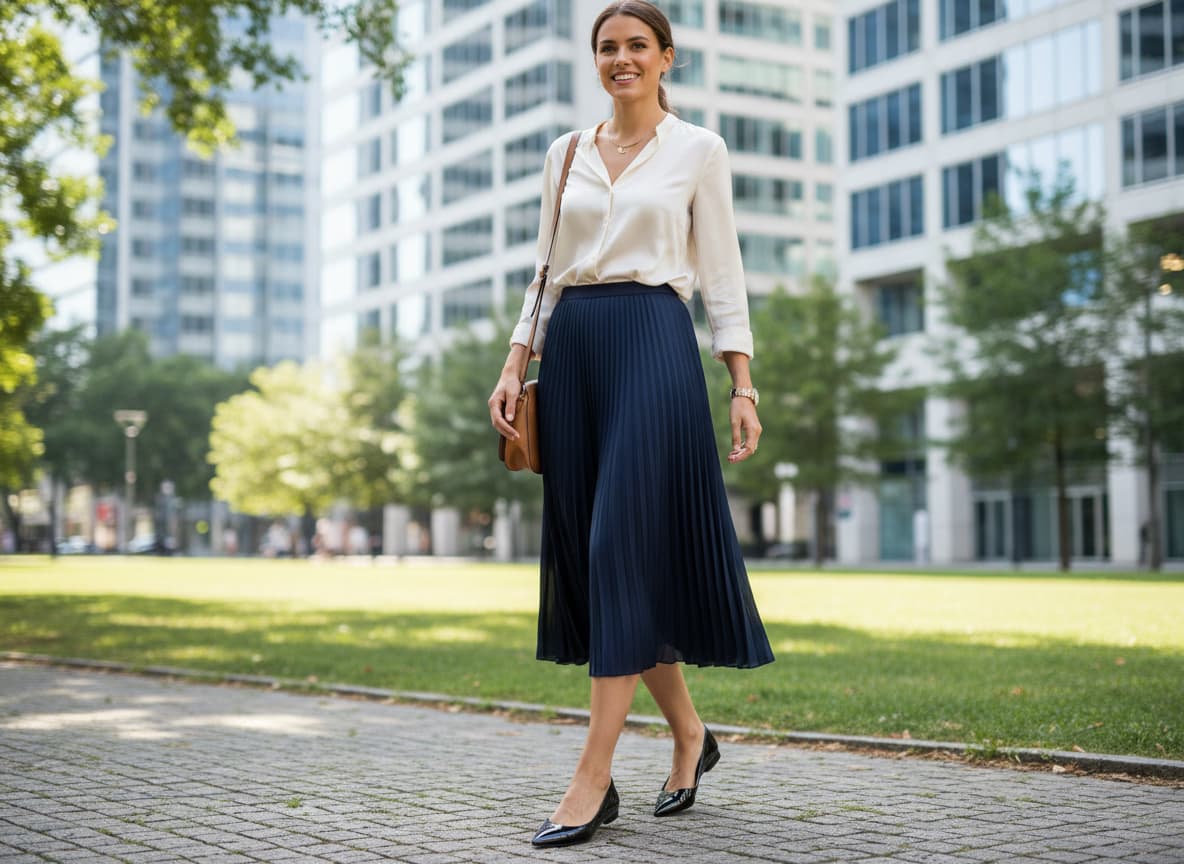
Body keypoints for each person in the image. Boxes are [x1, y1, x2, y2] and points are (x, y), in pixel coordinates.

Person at [488, 0, 774, 848]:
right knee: (612, 560)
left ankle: (592, 778)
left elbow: (722, 274)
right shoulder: (565, 152)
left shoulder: (699, 151)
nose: (622, 59)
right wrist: (514, 365)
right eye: (608, 47)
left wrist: (742, 385)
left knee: (619, 544)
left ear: (666, 58)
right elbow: (543, 274)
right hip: (573, 353)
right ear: (597, 59)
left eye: (637, 46)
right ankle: (690, 736)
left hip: (654, 342)